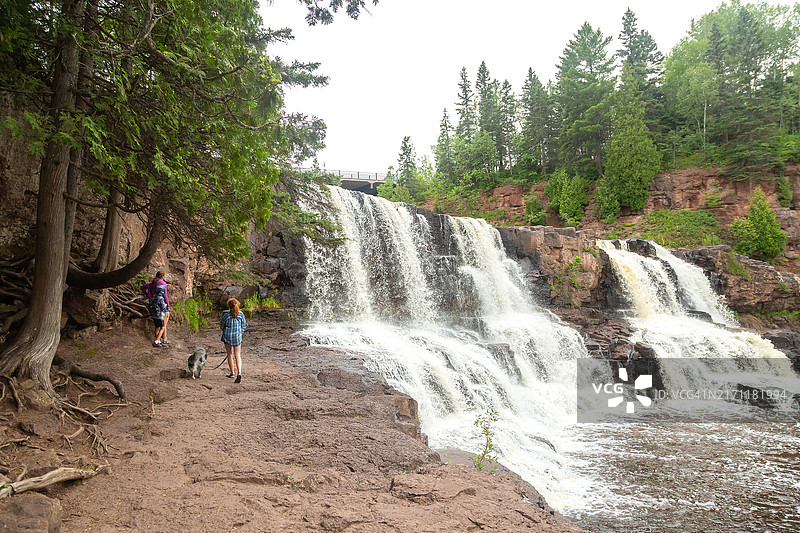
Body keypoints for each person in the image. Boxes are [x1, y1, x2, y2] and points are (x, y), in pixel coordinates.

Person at [220, 298, 247, 383]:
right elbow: (244, 325)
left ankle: (232, 373)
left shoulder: (226, 315)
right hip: (237, 337)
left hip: (227, 336)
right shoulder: (241, 314)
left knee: (229, 354)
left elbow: (222, 326)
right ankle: (239, 372)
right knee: (237, 354)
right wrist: (240, 332)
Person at [142, 271, 170, 343]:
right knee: (164, 323)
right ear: (163, 276)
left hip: (153, 304)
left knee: (157, 325)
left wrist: (148, 295)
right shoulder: (162, 284)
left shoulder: (151, 283)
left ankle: (161, 339)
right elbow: (165, 296)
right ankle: (162, 340)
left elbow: (142, 287)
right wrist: (168, 306)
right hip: (161, 304)